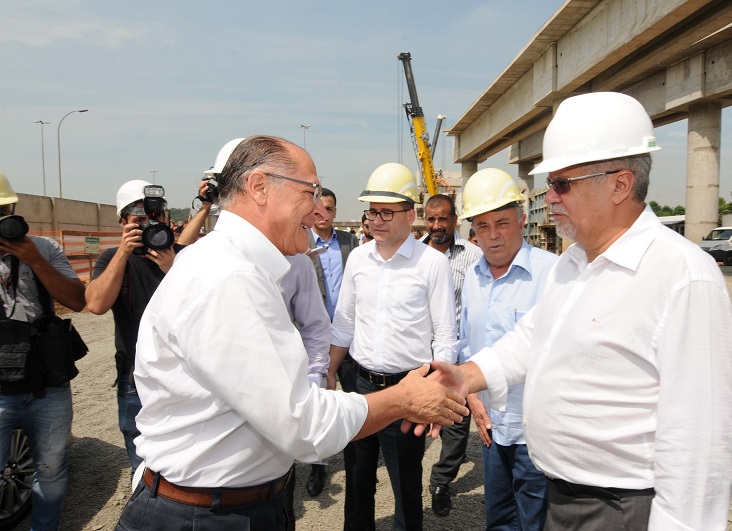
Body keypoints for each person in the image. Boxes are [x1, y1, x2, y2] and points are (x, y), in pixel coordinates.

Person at [423, 92, 732, 531]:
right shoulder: (574, 263)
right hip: (563, 492)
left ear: (619, 184)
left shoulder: (682, 276)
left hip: (623, 506)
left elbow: (702, 446)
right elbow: (533, 337)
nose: (548, 197)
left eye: (562, 184)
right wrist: (464, 376)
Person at [113, 136, 467, 530]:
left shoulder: (233, 265)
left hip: (228, 504)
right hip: (206, 515)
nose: (319, 210)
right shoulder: (229, 278)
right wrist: (402, 399)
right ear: (260, 187)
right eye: (310, 192)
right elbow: (304, 423)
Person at [327, 163, 458, 530]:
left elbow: (445, 335)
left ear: (410, 215)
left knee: (405, 486)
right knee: (357, 478)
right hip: (360, 387)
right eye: (372, 211)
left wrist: (437, 394)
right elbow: (344, 322)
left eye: (387, 211)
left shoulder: (431, 264)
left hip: (409, 390)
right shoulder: (358, 258)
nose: (377, 220)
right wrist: (331, 370)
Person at [458, 169, 558, 529]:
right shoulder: (473, 278)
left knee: (537, 521)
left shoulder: (553, 275)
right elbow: (466, 345)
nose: (493, 235)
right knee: (498, 519)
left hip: (536, 432)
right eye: (482, 226)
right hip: (490, 429)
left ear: (520, 219)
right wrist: (472, 398)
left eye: (501, 222)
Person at [86, 179, 205, 473]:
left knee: (186, 450)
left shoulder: (183, 257)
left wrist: (171, 268)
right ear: (123, 224)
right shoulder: (112, 259)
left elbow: (204, 309)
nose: (149, 226)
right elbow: (96, 304)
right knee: (141, 459)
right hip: (134, 377)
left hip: (184, 373)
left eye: (155, 218)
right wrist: (124, 253)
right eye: (139, 221)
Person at [0, 171, 86, 530]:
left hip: (45, 383)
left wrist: (35, 260)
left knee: (51, 467)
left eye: (4, 210)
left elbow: (77, 301)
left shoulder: (45, 248)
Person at [419, 193, 483, 517]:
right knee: (417, 421)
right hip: (420, 359)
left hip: (457, 356)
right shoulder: (413, 255)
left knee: (457, 424)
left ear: (455, 220)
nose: (437, 226)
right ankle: (406, 480)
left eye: (443, 219)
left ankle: (441, 481)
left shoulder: (473, 257)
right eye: (431, 219)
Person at [305, 187, 359, 495]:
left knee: (353, 400)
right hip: (315, 337)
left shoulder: (351, 242)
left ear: (335, 212)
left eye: (329, 208)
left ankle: (358, 462)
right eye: (319, 208)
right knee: (320, 404)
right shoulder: (301, 242)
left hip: (349, 337)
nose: (323, 213)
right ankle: (318, 466)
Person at [278, 253, 332, 530]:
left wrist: (315, 378)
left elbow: (315, 326)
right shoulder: (207, 255)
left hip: (281, 385)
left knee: (279, 485)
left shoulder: (298, 263)